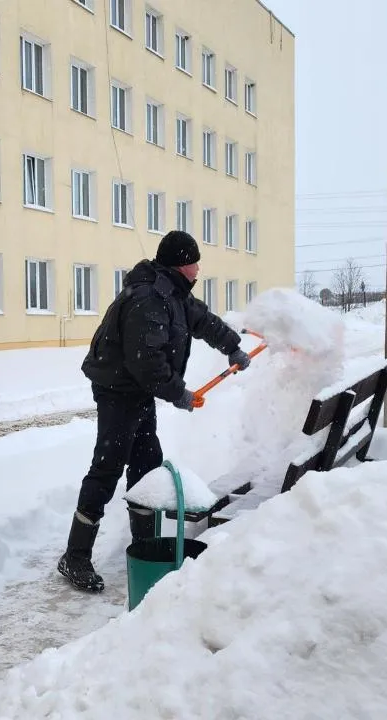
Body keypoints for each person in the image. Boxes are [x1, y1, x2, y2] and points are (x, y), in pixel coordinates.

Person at [57, 230, 251, 593]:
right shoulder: (149, 298)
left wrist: (232, 347)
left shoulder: (173, 292)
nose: (198, 269)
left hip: (138, 390)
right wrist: (179, 394)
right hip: (118, 389)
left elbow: (202, 320)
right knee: (108, 466)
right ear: (181, 264)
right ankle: (75, 556)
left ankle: (144, 546)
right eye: (195, 262)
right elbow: (146, 362)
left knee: (147, 464)